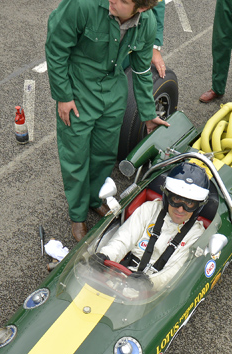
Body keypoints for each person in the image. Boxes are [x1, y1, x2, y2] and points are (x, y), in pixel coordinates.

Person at [45, 0, 170, 243]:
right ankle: (78, 216)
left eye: (124, 1)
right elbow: (56, 47)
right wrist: (63, 96)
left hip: (113, 90)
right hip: (79, 86)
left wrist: (147, 111)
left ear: (141, 9)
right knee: (76, 155)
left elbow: (142, 69)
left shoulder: (147, 22)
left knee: (104, 152)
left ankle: (94, 199)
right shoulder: (82, 5)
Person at [95, 162, 210, 290]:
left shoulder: (196, 235)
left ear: (198, 206)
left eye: (189, 203)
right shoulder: (149, 209)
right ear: (167, 197)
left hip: (155, 290)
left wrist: (150, 282)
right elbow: (124, 238)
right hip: (124, 272)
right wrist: (106, 255)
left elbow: (175, 271)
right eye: (176, 200)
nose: (181, 209)